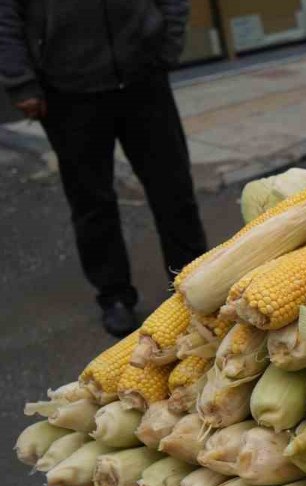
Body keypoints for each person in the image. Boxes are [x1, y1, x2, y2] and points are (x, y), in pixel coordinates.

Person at [0, 0, 208, 336]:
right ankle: (114, 296)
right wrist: (20, 81)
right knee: (91, 202)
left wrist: (165, 47)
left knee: (174, 189)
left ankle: (195, 281)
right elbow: (6, 16)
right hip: (68, 90)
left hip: (143, 79)